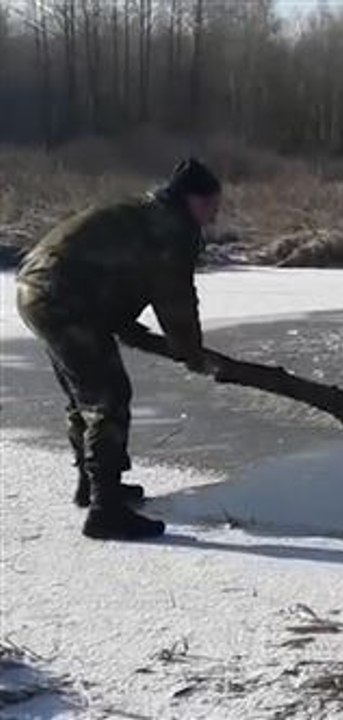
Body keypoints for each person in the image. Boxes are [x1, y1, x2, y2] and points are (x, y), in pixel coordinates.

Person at [15, 158, 222, 540]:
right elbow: (175, 299)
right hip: (64, 301)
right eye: (209, 205)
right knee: (108, 399)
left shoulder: (144, 212)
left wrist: (123, 322)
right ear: (190, 200)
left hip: (38, 292)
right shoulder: (171, 229)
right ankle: (105, 510)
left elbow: (116, 268)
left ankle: (91, 485)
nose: (213, 215)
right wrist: (191, 352)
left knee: (85, 397)